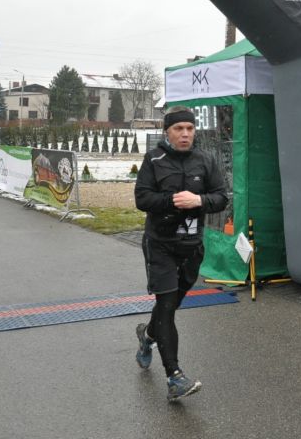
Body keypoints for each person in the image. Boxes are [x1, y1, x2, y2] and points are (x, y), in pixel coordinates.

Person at [133, 106, 228, 400]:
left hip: (191, 247)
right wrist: (173, 201)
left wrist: (198, 200)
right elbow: (142, 198)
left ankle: (148, 335)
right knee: (166, 304)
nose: (185, 134)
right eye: (178, 129)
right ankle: (174, 377)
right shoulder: (154, 159)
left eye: (189, 128)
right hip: (160, 244)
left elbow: (221, 197)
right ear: (167, 132)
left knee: (171, 306)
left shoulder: (205, 160)